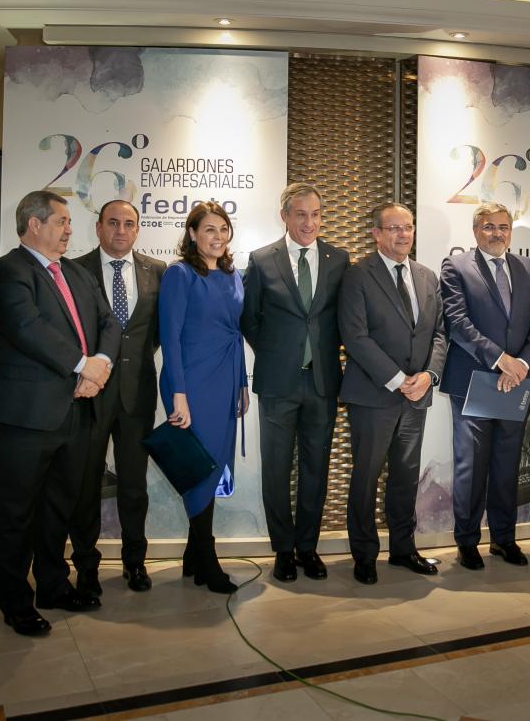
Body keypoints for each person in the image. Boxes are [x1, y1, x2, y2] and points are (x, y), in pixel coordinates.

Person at [0, 190, 120, 636]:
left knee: (58, 508)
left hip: (75, 411)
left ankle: (53, 586)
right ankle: (15, 601)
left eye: (69, 222)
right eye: (61, 221)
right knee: (16, 514)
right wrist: (82, 365)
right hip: (22, 417)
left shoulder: (76, 272)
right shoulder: (6, 271)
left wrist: (100, 366)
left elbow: (109, 323)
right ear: (34, 224)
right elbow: (26, 327)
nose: (69, 230)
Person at [241, 183, 348, 583]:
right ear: (284, 216)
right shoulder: (261, 259)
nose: (309, 222)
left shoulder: (339, 259)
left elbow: (343, 318)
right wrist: (277, 353)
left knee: (316, 469)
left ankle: (307, 548)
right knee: (276, 469)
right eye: (301, 214)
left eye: (315, 214)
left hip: (322, 382)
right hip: (277, 383)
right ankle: (283, 550)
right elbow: (249, 318)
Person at [339, 203, 448, 584]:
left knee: (406, 477)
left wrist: (429, 375)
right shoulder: (357, 276)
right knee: (366, 477)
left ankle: (403, 549)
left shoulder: (427, 276)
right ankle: (364, 554)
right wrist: (398, 378)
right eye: (394, 228)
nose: (404, 235)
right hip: (374, 395)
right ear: (376, 234)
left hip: (417, 396)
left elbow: (439, 333)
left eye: (409, 227)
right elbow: (355, 336)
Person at [441, 203, 530, 569]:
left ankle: (504, 539)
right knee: (471, 468)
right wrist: (500, 359)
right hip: (474, 381)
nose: (497, 233)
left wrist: (521, 364)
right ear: (475, 231)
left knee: (507, 464)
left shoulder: (528, 268)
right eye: (489, 226)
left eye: (503, 227)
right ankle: (467, 542)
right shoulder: (456, 267)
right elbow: (457, 322)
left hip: (515, 380)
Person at [72, 200, 166, 594]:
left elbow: (156, 332)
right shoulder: (75, 270)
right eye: (113, 223)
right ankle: (86, 566)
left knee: (133, 486)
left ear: (138, 229)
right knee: (85, 485)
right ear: (98, 227)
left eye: (129, 223)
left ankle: (135, 563)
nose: (121, 230)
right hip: (89, 396)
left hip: (136, 395)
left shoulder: (157, 270)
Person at [160, 201, 250, 592]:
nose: (218, 236)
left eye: (223, 229)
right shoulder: (179, 275)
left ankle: (192, 556)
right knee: (199, 467)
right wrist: (178, 395)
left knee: (213, 466)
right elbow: (170, 338)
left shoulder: (233, 274)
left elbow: (235, 332)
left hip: (225, 379)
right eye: (209, 229)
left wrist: (241, 382)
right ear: (193, 233)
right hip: (191, 383)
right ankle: (207, 560)